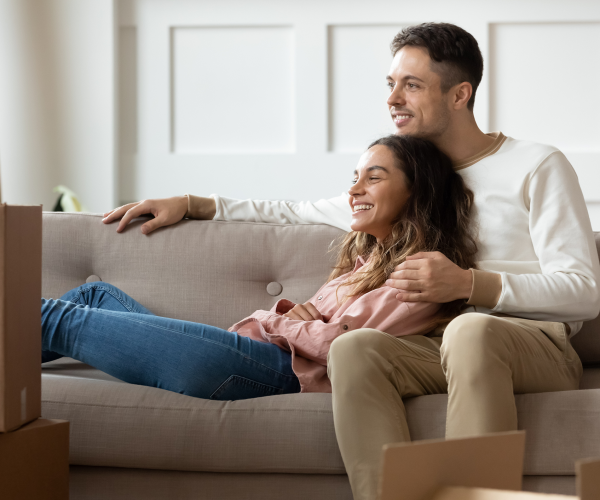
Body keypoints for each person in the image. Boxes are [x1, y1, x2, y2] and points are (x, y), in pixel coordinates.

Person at [102, 23, 600, 500]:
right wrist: (193, 203)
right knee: (357, 347)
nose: (392, 99)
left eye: (410, 85)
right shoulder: (416, 181)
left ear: (459, 94)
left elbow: (583, 289)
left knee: (470, 331)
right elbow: (294, 211)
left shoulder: (535, 164)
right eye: (390, 84)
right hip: (436, 348)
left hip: (535, 346)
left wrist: (470, 285)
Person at [42, 135, 475, 400]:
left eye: (373, 178)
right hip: (249, 352)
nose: (354, 189)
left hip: (270, 371)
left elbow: (343, 348)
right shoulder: (364, 265)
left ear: (418, 192)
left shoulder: (422, 276)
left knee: (51, 316)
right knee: (92, 297)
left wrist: (278, 321)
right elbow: (320, 329)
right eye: (355, 176)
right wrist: (297, 322)